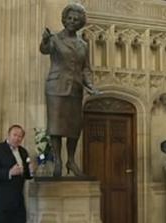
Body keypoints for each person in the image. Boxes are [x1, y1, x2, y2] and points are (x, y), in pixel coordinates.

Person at [39, 3, 100, 177]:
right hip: (56, 87)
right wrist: (44, 40)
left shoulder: (83, 44)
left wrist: (91, 86)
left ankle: (71, 161)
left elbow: (85, 68)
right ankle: (57, 161)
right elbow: (45, 49)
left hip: (75, 88)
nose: (72, 21)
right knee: (56, 126)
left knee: (74, 127)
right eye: (70, 18)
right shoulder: (55, 39)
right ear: (64, 19)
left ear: (80, 23)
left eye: (76, 19)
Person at [0, 124, 34, 223]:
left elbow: (26, 175)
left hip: (17, 202)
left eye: (20, 136)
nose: (17, 138)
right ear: (8, 135)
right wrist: (9, 172)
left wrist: (30, 171)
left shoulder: (23, 151)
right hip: (0, 201)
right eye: (14, 135)